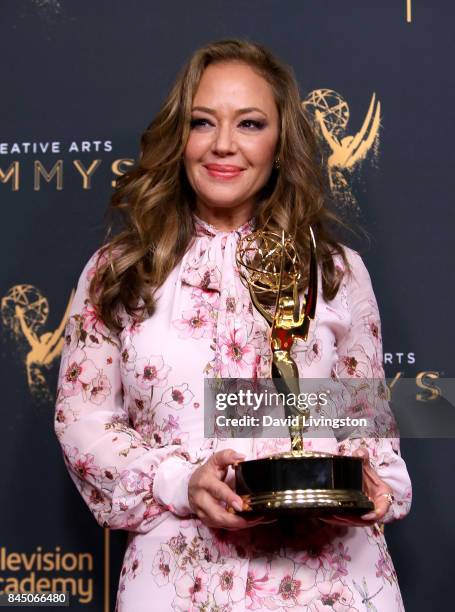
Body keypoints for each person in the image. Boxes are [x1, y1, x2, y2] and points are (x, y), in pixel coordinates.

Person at [54, 38, 412, 611]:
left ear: (279, 142)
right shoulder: (119, 272)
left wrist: (374, 483)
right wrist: (181, 482)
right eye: (203, 122)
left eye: (249, 123)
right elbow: (83, 420)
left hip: (331, 586)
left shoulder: (335, 271)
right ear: (180, 136)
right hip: (177, 584)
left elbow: (367, 424)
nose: (223, 145)